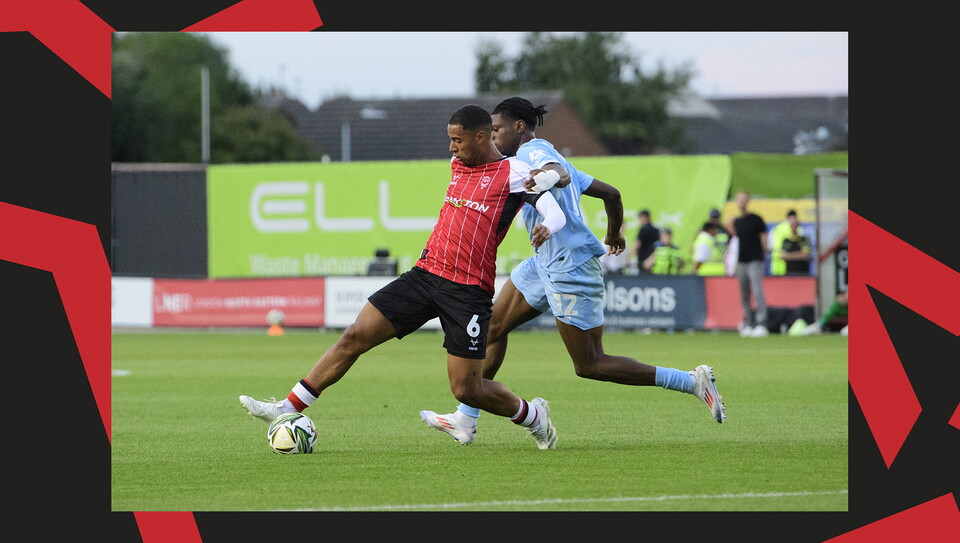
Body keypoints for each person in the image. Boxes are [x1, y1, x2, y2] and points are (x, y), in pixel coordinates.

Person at [239, 104, 569, 450]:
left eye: (457, 140)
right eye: (450, 140)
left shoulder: (514, 172)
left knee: (467, 389)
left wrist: (547, 222)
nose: (452, 148)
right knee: (354, 336)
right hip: (425, 275)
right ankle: (287, 407)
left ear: (481, 137)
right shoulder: (458, 165)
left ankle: (534, 416)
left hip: (467, 291)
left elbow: (555, 200)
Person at [418, 97, 726, 446]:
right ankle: (466, 418)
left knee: (590, 364)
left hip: (571, 266)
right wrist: (613, 232)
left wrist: (552, 177)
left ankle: (691, 381)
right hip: (544, 262)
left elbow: (557, 173)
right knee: (492, 329)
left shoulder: (532, 152)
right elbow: (612, 194)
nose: (493, 137)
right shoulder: (538, 158)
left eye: (498, 130)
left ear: (519, 127)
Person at [732, 191, 769, 337]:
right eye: (739, 199)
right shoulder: (737, 222)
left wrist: (763, 255)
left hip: (755, 259)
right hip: (742, 260)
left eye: (743, 199)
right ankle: (749, 322)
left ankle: (762, 323)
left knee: (757, 292)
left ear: (748, 201)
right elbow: (737, 243)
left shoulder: (756, 219)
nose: (741, 201)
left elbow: (763, 238)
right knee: (744, 294)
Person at [779, 211, 812, 275]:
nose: (794, 226)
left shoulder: (804, 240)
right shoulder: (786, 241)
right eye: (792, 224)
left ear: (798, 225)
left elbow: (806, 255)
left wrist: (789, 255)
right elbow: (782, 255)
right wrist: (799, 254)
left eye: (795, 224)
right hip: (789, 273)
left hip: (803, 273)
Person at [770, 209, 800, 276]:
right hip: (789, 265)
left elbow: (770, 246)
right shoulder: (798, 229)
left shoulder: (777, 228)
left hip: (776, 263)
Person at [632, 209, 660, 274]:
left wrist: (628, 257)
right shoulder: (656, 230)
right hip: (654, 261)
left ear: (644, 217)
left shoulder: (643, 230)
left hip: (643, 261)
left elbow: (637, 244)